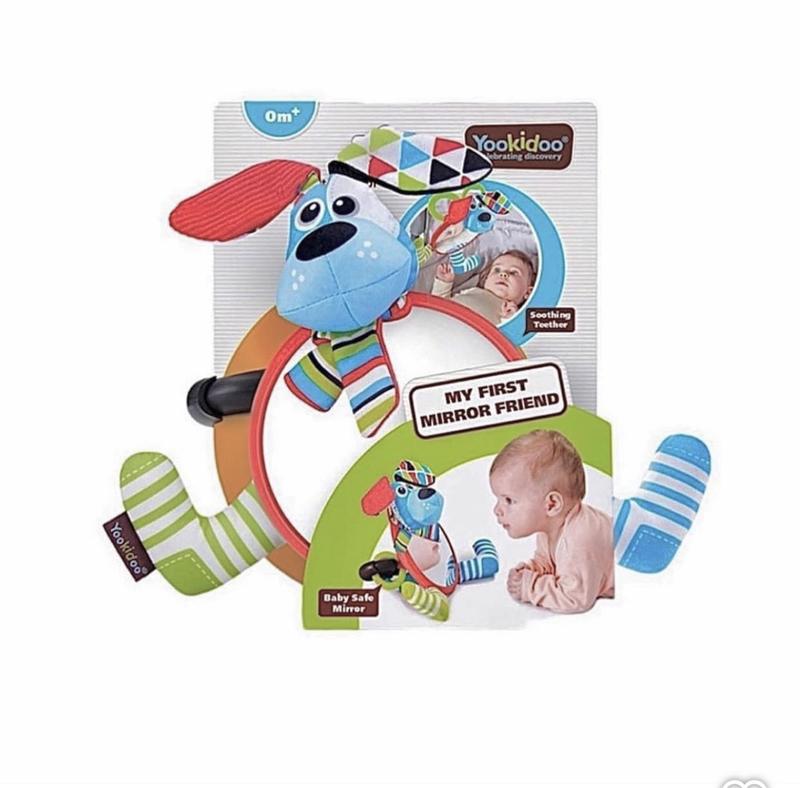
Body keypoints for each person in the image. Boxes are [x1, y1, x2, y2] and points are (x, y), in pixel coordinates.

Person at [489, 430, 615, 613]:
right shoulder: (550, 528)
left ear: (552, 504)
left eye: (508, 500)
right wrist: (532, 571)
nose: (497, 510)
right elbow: (552, 564)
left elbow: (575, 598)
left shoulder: (578, 539)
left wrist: (531, 587)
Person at [431, 249, 536, 324]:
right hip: (439, 323)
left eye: (514, 272)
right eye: (497, 270)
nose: (503, 274)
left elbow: (503, 338)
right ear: (486, 279)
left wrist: (510, 319)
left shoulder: (509, 312)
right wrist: (444, 282)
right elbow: (438, 304)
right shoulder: (473, 291)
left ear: (528, 292)